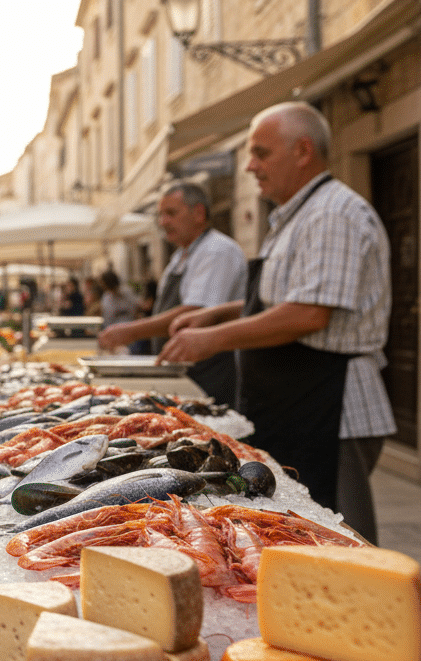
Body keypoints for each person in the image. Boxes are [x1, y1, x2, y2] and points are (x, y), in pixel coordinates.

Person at [159, 102, 394, 538]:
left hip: (334, 409)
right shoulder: (297, 214)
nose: (250, 166)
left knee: (340, 540)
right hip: (300, 403)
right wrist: (220, 313)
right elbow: (284, 299)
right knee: (303, 533)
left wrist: (214, 339)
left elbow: (309, 313)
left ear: (303, 150)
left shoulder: (331, 214)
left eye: (261, 153)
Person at [97, 182, 247, 404]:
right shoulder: (180, 256)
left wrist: (133, 331)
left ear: (198, 213)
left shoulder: (217, 251)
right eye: (161, 215)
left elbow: (196, 312)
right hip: (183, 372)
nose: (163, 222)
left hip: (210, 375)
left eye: (171, 213)